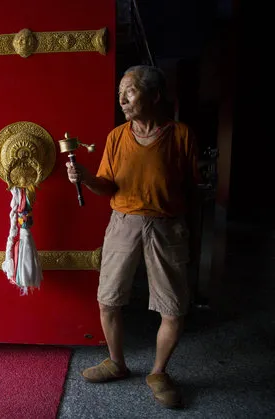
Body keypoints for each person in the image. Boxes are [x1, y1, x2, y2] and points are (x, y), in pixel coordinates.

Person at [66, 65, 200, 409]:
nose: (123, 99)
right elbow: (108, 185)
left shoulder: (181, 135)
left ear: (155, 95)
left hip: (167, 226)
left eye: (131, 91)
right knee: (107, 299)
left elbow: (191, 186)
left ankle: (158, 372)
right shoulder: (116, 137)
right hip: (123, 222)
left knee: (173, 307)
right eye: (120, 93)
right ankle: (116, 362)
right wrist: (84, 177)